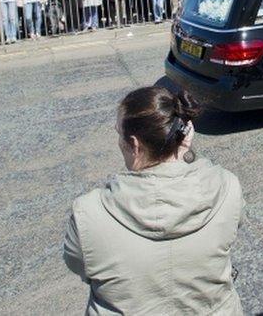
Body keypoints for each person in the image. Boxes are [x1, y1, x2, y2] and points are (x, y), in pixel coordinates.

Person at [63, 87, 245, 314]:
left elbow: (78, 264)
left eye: (118, 133)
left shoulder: (87, 214)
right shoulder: (228, 187)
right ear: (185, 135)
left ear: (134, 145)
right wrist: (185, 152)